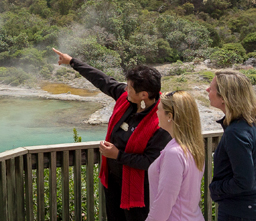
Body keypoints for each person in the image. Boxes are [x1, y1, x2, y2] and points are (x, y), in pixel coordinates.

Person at [53, 48, 171, 221]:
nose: (126, 89)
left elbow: (151, 161)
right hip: (114, 183)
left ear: (144, 95)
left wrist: (118, 155)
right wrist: (72, 62)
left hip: (140, 192)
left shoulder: (160, 120)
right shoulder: (127, 99)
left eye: (130, 87)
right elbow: (103, 80)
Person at [207, 71, 256, 221]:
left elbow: (244, 181)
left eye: (212, 87)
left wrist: (216, 189)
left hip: (245, 211)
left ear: (224, 97)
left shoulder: (236, 132)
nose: (207, 90)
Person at [146, 91, 205, 221]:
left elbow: (164, 202)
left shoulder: (174, 153)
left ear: (170, 116)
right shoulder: (194, 148)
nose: (156, 113)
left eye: (159, 109)